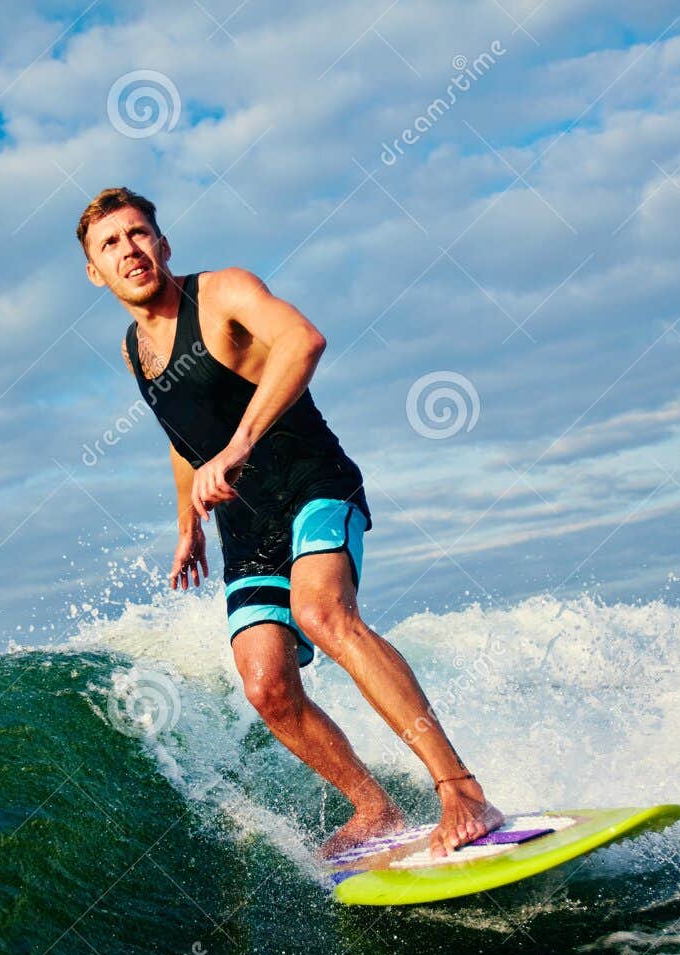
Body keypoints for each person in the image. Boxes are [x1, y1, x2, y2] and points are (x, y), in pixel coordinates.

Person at [78, 187, 503, 858]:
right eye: (110, 243)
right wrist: (187, 524)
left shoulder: (222, 293)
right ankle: (376, 808)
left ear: (162, 244)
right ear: (94, 271)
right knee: (266, 685)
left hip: (312, 480)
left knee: (323, 613)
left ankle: (460, 787)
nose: (128, 249)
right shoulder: (136, 349)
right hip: (245, 524)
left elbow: (303, 340)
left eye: (138, 234)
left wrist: (243, 442)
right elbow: (182, 436)